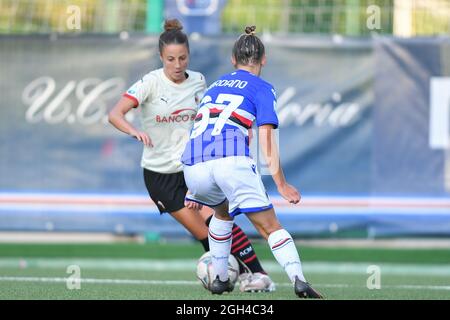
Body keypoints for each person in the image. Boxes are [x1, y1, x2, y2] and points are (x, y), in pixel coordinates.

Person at [108, 19, 275, 292]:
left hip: (194, 166)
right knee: (204, 234)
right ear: (161, 57)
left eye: (182, 58)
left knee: (221, 220)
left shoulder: (199, 82)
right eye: (171, 59)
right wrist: (134, 131)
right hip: (161, 176)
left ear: (189, 56)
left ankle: (257, 275)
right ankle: (226, 275)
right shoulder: (150, 83)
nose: (177, 64)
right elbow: (115, 114)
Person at [181, 25, 323, 298]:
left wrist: (193, 185)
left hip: (192, 163)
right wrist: (281, 184)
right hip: (229, 161)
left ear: (233, 60)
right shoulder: (262, 87)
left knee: (222, 213)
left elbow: (201, 126)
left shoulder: (215, 85)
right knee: (270, 226)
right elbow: (266, 137)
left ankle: (221, 279)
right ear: (264, 59)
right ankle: (299, 280)